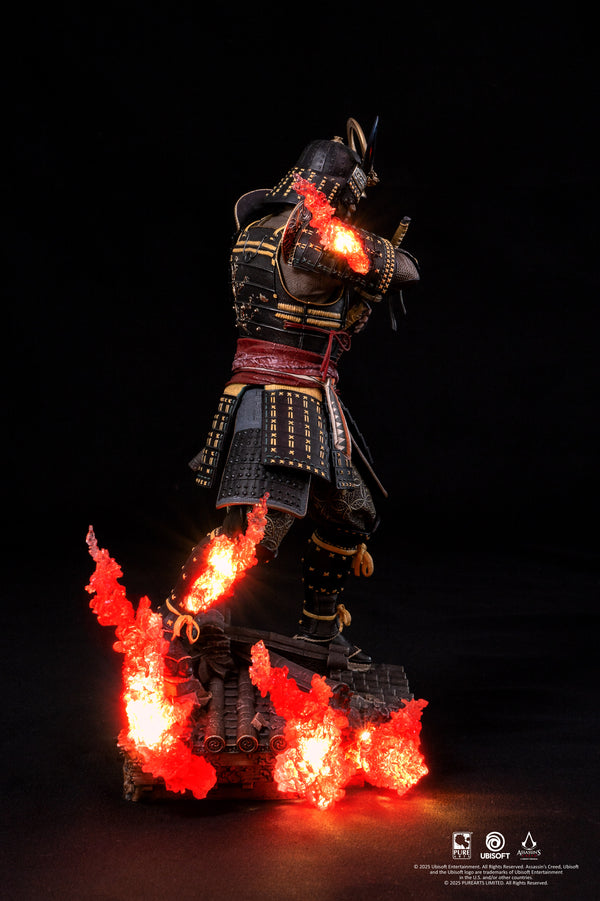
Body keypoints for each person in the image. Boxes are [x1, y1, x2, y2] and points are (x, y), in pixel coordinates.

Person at [167, 118, 420, 671]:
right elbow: (403, 269)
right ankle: (186, 618)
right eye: (351, 199)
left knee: (351, 512)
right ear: (338, 193)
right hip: (282, 399)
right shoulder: (313, 237)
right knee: (257, 530)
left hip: (300, 396)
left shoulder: (256, 230)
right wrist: (369, 265)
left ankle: (319, 634)